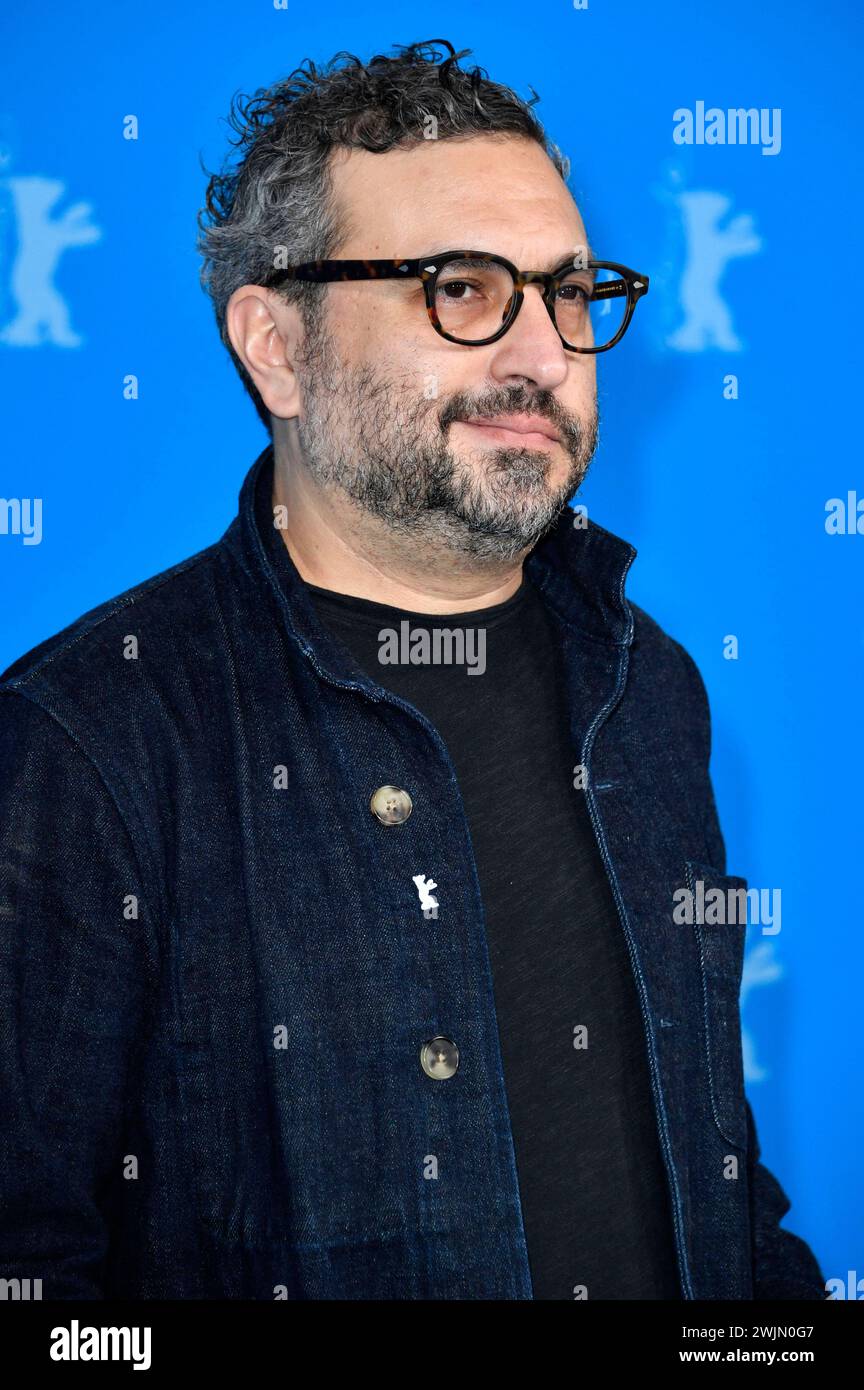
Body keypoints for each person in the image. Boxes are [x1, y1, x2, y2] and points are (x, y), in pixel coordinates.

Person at [0, 38, 824, 1300]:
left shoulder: (649, 686)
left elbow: (712, 1172)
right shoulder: (87, 737)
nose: (543, 353)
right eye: (460, 288)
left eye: (566, 291)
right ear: (276, 346)